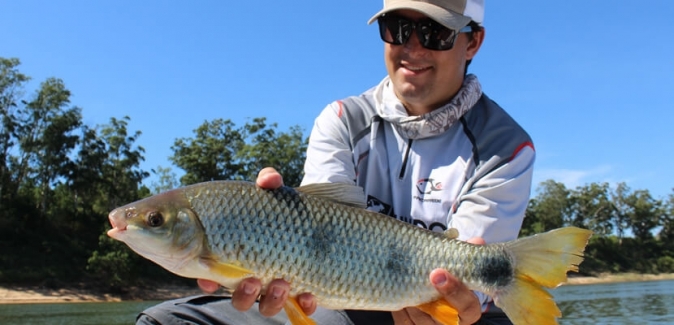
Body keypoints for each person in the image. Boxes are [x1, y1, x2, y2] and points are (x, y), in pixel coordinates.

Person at [137, 0, 534, 324]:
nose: (413, 47)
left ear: (473, 42)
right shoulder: (342, 118)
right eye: (396, 28)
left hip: (454, 313)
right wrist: (267, 224)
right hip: (338, 299)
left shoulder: (507, 146)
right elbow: (323, 217)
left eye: (436, 33)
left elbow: (470, 288)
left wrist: (453, 300)